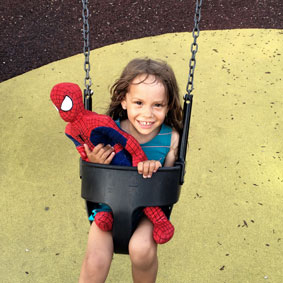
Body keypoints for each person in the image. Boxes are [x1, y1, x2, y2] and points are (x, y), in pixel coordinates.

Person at [79, 58, 183, 283]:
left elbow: (168, 183)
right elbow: (92, 167)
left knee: (141, 249)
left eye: (158, 105)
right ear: (123, 101)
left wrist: (156, 169)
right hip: (108, 208)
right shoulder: (107, 130)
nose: (147, 114)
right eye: (138, 102)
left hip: (149, 213)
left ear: (168, 106)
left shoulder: (171, 139)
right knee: (96, 258)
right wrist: (96, 160)